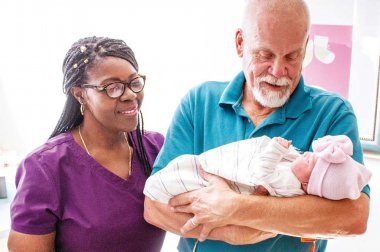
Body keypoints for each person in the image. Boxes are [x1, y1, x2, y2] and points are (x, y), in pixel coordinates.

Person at [144, 0, 370, 251]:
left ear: (305, 49)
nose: (277, 70)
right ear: (241, 43)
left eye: (291, 56)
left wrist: (236, 208)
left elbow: (353, 217)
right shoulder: (199, 102)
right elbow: (154, 206)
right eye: (265, 54)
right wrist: (231, 233)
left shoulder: (332, 113)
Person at [8, 36, 165, 251]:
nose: (130, 95)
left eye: (134, 83)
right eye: (113, 87)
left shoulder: (156, 148)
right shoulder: (44, 168)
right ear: (80, 95)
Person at [144, 135, 372, 203]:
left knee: (186, 170)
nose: (308, 155)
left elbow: (261, 173)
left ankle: (158, 186)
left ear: (306, 185)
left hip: (228, 181)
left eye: (311, 162)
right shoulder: (296, 175)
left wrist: (275, 149)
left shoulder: (289, 183)